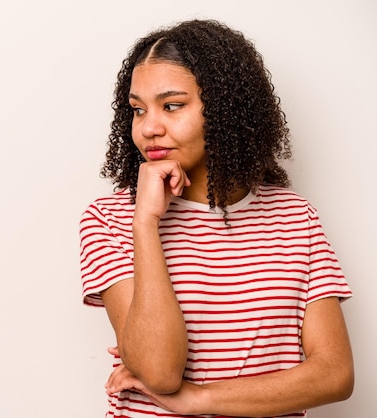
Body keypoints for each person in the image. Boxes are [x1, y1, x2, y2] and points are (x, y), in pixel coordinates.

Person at [78, 19, 354, 418]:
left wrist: (199, 399)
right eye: (138, 110)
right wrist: (146, 223)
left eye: (172, 106)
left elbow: (334, 375)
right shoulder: (112, 220)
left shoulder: (296, 218)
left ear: (226, 107)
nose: (149, 128)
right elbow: (159, 373)